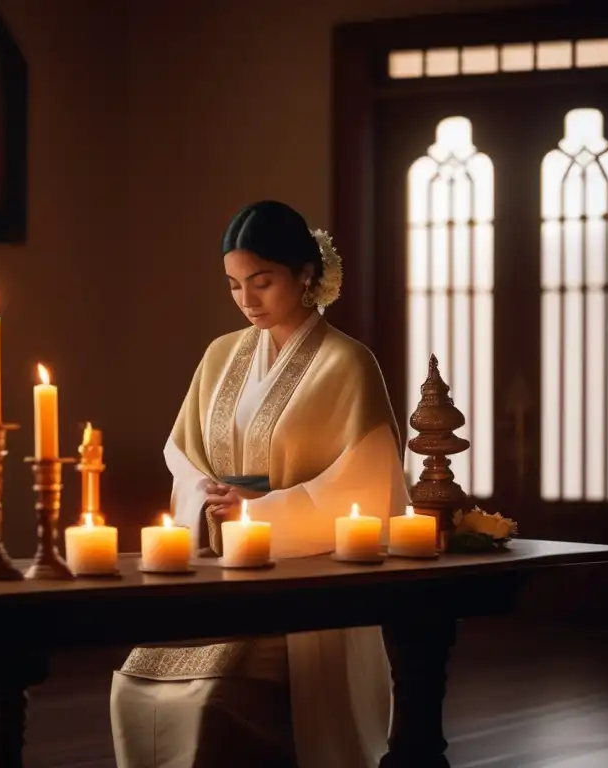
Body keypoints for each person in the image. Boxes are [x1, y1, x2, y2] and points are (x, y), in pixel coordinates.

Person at [109, 201, 410, 768]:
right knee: (135, 686)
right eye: (234, 286)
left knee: (211, 703)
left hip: (300, 585)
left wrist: (265, 510)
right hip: (216, 573)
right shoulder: (220, 354)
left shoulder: (349, 363)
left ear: (306, 274)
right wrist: (209, 494)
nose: (247, 300)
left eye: (262, 282)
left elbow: (366, 483)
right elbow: (182, 449)